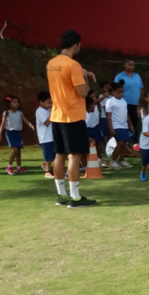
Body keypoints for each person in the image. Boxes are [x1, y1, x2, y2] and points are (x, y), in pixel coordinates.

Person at [47, 30, 97, 208]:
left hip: (57, 115)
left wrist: (83, 71)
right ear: (76, 45)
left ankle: (61, 195)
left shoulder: (51, 63)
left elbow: (64, 72)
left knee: (59, 154)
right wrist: (84, 76)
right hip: (73, 116)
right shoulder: (73, 65)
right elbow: (83, 92)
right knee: (74, 155)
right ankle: (75, 197)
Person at [0, 95, 35, 175]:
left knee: (18, 152)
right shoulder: (6, 113)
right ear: (9, 103)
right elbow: (3, 124)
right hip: (10, 133)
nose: (16, 104)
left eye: (17, 102)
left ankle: (19, 167)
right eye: (14, 102)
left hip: (18, 133)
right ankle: (9, 166)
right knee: (15, 150)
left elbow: (25, 120)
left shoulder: (20, 112)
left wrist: (30, 125)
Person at [105, 81, 135, 170]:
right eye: (119, 92)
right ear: (113, 92)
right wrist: (111, 128)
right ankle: (113, 161)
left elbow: (126, 114)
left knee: (125, 143)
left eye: (122, 92)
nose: (121, 94)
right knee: (120, 143)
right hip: (116, 125)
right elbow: (108, 116)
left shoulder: (124, 101)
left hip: (124, 125)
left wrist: (131, 124)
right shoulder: (110, 102)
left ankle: (122, 160)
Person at [114, 59, 143, 145]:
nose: (131, 67)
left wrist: (140, 103)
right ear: (125, 65)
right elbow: (115, 89)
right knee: (125, 123)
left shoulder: (137, 76)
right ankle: (124, 142)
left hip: (135, 104)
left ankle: (135, 143)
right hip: (124, 103)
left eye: (133, 65)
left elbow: (141, 89)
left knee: (135, 123)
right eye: (129, 65)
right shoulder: (119, 76)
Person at [36, 91, 55, 178]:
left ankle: (51, 168)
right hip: (45, 137)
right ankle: (48, 171)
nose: (50, 104)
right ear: (41, 102)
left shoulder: (48, 110)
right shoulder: (39, 111)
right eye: (48, 102)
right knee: (48, 155)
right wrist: (52, 113)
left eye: (51, 102)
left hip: (52, 136)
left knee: (54, 154)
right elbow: (46, 123)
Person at [86, 95, 105, 163]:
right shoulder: (86, 116)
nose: (95, 106)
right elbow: (81, 129)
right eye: (94, 104)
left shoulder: (86, 114)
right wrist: (88, 137)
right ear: (90, 105)